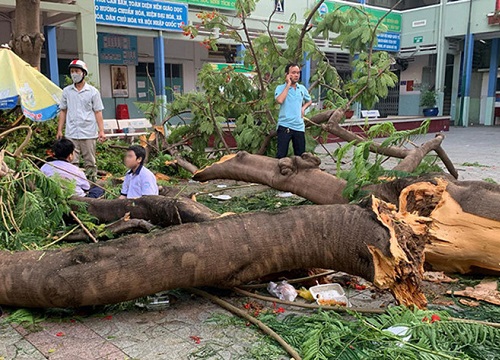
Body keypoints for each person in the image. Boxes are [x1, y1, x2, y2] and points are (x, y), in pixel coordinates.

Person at [57, 59, 106, 182]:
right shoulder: (67, 91)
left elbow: (98, 111)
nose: (74, 74)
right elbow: (63, 110)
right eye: (72, 71)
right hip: (71, 132)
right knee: (72, 161)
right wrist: (59, 130)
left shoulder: (93, 92)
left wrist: (101, 131)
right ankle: (73, 184)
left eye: (76, 71)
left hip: (88, 132)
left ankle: (92, 183)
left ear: (83, 73)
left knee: (90, 161)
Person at [274, 63, 312, 158]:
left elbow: (309, 101)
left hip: (299, 127)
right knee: (281, 156)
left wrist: (303, 108)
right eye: (293, 73)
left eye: (298, 73)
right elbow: (279, 100)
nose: (296, 75)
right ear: (287, 74)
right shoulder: (280, 88)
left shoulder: (302, 89)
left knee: (300, 157)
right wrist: (288, 85)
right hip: (285, 126)